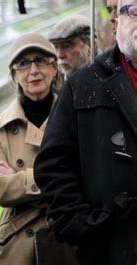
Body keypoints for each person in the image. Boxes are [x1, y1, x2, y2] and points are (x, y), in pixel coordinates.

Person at [34, 0, 137, 264]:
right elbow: (53, 164)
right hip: (110, 248)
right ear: (117, 23)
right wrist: (83, 224)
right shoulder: (83, 85)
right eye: (134, 11)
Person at [0, 32, 74, 265]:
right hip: (19, 243)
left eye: (41, 60)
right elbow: (1, 190)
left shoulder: (75, 118)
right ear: (14, 75)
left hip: (68, 234)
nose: (33, 70)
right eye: (23, 64)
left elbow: (84, 175)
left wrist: (20, 179)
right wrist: (57, 176)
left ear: (55, 68)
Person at [48, 15, 92, 79]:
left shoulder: (107, 73)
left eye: (66, 46)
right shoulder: (55, 83)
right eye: (56, 47)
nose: (60, 55)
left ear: (89, 46)